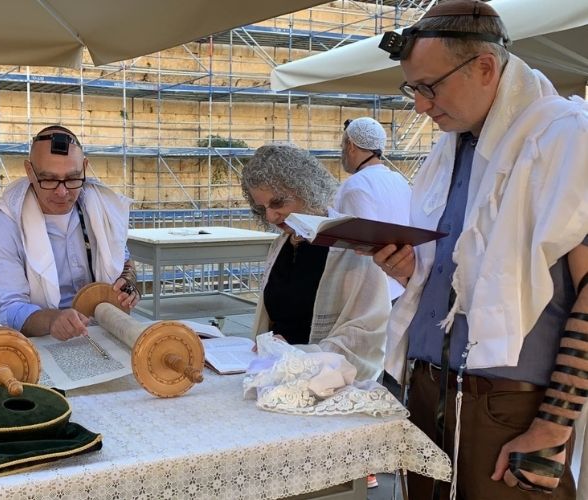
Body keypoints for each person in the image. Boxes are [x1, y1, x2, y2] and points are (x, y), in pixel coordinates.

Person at [372, 1, 588, 497]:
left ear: (485, 67)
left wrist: (553, 427)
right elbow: (469, 280)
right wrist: (410, 272)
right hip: (426, 389)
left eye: (429, 87)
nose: (420, 105)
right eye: (413, 89)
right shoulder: (451, 148)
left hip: (508, 408)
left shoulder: (565, 136)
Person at [0, 125, 138, 340]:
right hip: (37, 340)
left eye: (72, 178)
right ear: (29, 172)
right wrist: (53, 320)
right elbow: (7, 308)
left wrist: (128, 282)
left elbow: (124, 260)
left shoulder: (100, 206)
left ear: (85, 168)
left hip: (103, 330)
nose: (62, 192)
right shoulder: (3, 224)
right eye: (49, 179)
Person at [242, 144, 389, 381]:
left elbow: (367, 334)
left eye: (278, 203)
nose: (270, 216)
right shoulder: (282, 242)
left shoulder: (352, 244)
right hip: (278, 377)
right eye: (262, 208)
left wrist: (298, 355)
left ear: (306, 189)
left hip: (329, 385)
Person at [335, 116, 411, 301]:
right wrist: (406, 280)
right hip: (401, 290)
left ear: (351, 145)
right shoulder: (400, 180)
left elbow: (363, 246)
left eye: (342, 146)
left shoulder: (355, 186)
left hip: (373, 295)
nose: (342, 152)